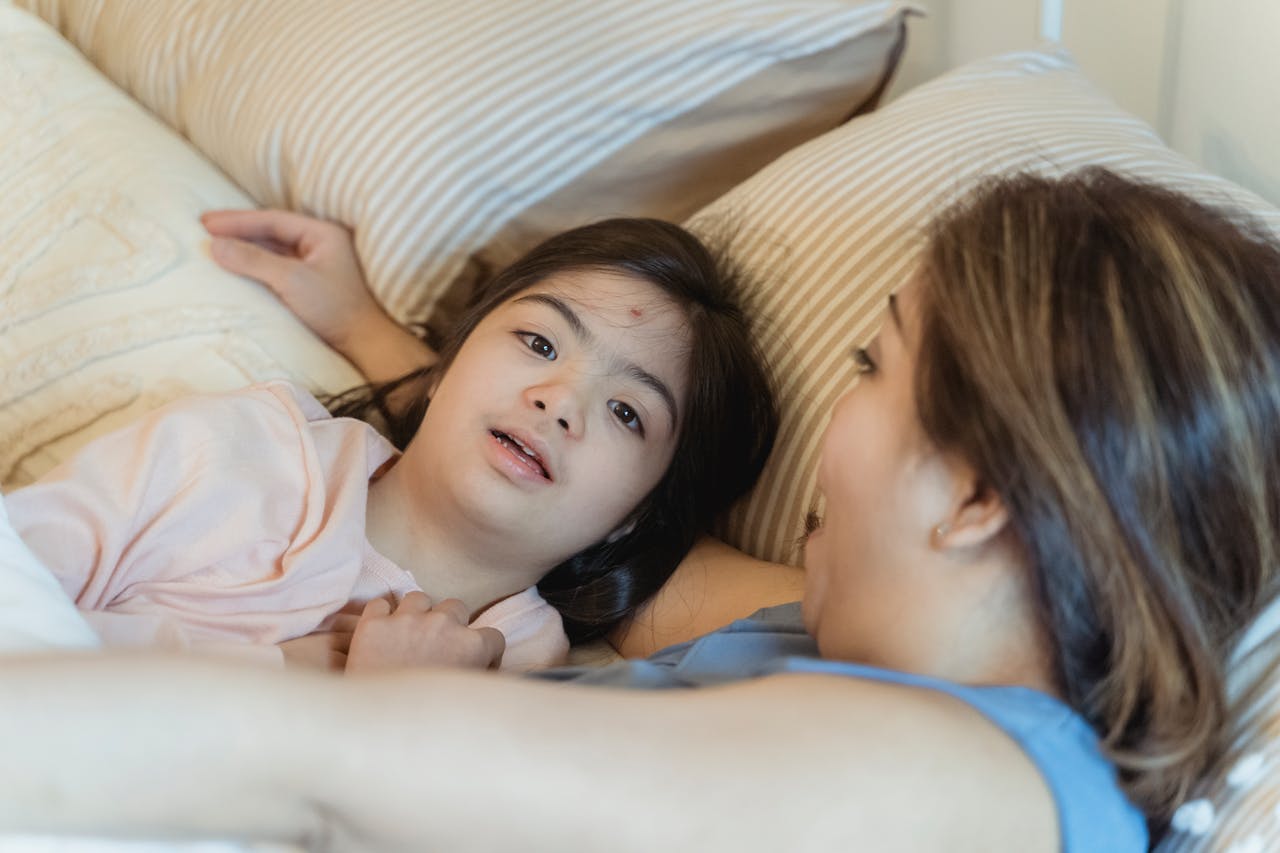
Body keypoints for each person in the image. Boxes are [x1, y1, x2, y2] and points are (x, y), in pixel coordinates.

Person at [2, 168, 1277, 851]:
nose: (837, 434)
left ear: (975, 494)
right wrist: (388, 342)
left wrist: (382, 705)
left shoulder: (980, 784)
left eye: (872, 369)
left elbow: (321, 776)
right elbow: (569, 512)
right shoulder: (820, 633)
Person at [4, 216, 777, 672]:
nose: (559, 401)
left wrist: (396, 717)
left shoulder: (521, 675)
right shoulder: (236, 449)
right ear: (443, 369)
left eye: (627, 412)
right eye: (540, 344)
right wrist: (302, 674)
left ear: (635, 518)